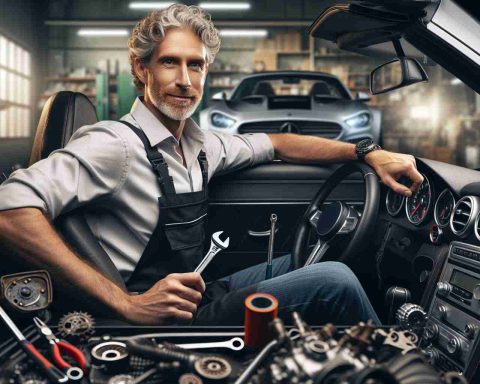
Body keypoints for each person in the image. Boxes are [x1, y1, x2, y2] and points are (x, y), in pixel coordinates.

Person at [0, 5, 422, 326]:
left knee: (309, 257)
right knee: (335, 279)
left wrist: (366, 153)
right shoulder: (115, 144)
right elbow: (9, 209)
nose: (185, 80)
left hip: (192, 293)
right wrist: (124, 302)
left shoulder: (203, 146)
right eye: (170, 62)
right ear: (140, 68)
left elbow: (278, 143)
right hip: (158, 321)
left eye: (196, 64)